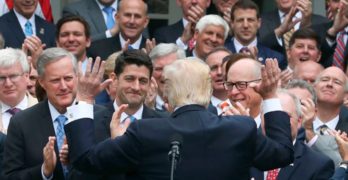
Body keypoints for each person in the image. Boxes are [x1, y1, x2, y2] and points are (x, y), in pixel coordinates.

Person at [63, 56, 294, 179]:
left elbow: (85, 160)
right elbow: (282, 154)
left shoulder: (145, 131)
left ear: (168, 96)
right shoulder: (240, 128)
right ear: (209, 92)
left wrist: (83, 98)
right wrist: (271, 95)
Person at [2, 47, 108, 179]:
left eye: (68, 78)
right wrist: (44, 171)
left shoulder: (99, 116)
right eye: (55, 80)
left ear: (77, 77)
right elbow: (9, 177)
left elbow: (109, 169)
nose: (63, 87)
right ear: (41, 82)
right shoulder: (22, 122)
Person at [250, 90, 335, 180]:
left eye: (285, 116)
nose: (277, 122)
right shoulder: (245, 154)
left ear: (299, 121)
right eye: (270, 115)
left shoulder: (318, 165)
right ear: (260, 117)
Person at [224, 0, 287, 70]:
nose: (245, 25)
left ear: (259, 23)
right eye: (240, 20)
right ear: (232, 23)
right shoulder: (221, 55)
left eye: (250, 20)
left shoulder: (276, 59)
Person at [149, 43, 186, 111]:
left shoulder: (192, 104)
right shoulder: (141, 104)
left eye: (170, 68)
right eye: (159, 69)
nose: (164, 75)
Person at [204, 46, 231, 115]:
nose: (219, 72)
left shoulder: (247, 103)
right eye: (213, 68)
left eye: (224, 67)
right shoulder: (199, 108)